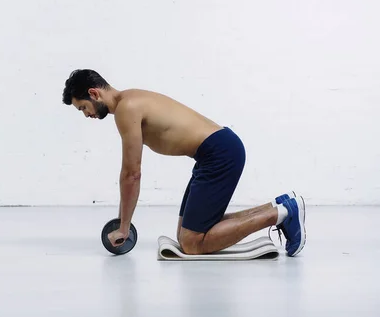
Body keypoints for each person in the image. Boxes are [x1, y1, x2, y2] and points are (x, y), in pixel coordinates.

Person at [61, 69, 306, 257]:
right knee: (185, 234)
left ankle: (283, 214)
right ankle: (276, 206)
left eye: (83, 107)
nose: (87, 115)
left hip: (219, 152)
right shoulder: (131, 99)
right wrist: (122, 222)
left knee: (191, 243)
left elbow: (131, 174)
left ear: (94, 93)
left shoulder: (127, 109)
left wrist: (124, 227)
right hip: (214, 152)